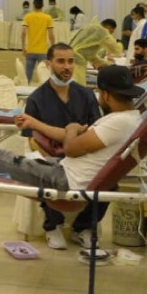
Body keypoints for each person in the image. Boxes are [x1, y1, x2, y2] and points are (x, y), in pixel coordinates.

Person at [0, 65, 144, 249]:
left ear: (105, 95)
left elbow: (71, 146)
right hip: (65, 170)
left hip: (65, 179)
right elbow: (70, 137)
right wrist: (47, 126)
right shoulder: (130, 119)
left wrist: (72, 130)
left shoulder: (117, 122)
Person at [12, 43, 106, 249]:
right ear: (48, 64)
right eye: (61, 61)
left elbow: (95, 130)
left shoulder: (86, 95)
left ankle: (83, 228)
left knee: (109, 178)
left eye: (70, 61)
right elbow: (32, 140)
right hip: (51, 156)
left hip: (83, 155)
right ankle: (52, 225)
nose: (67, 67)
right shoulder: (37, 99)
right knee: (45, 171)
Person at [21, 0, 55, 83]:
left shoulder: (28, 17)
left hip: (30, 49)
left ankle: (26, 87)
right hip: (43, 50)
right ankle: (45, 90)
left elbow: (23, 32)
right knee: (44, 75)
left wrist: (23, 47)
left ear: (33, 5)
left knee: (28, 75)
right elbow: (51, 35)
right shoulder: (47, 18)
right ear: (43, 5)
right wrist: (53, 47)